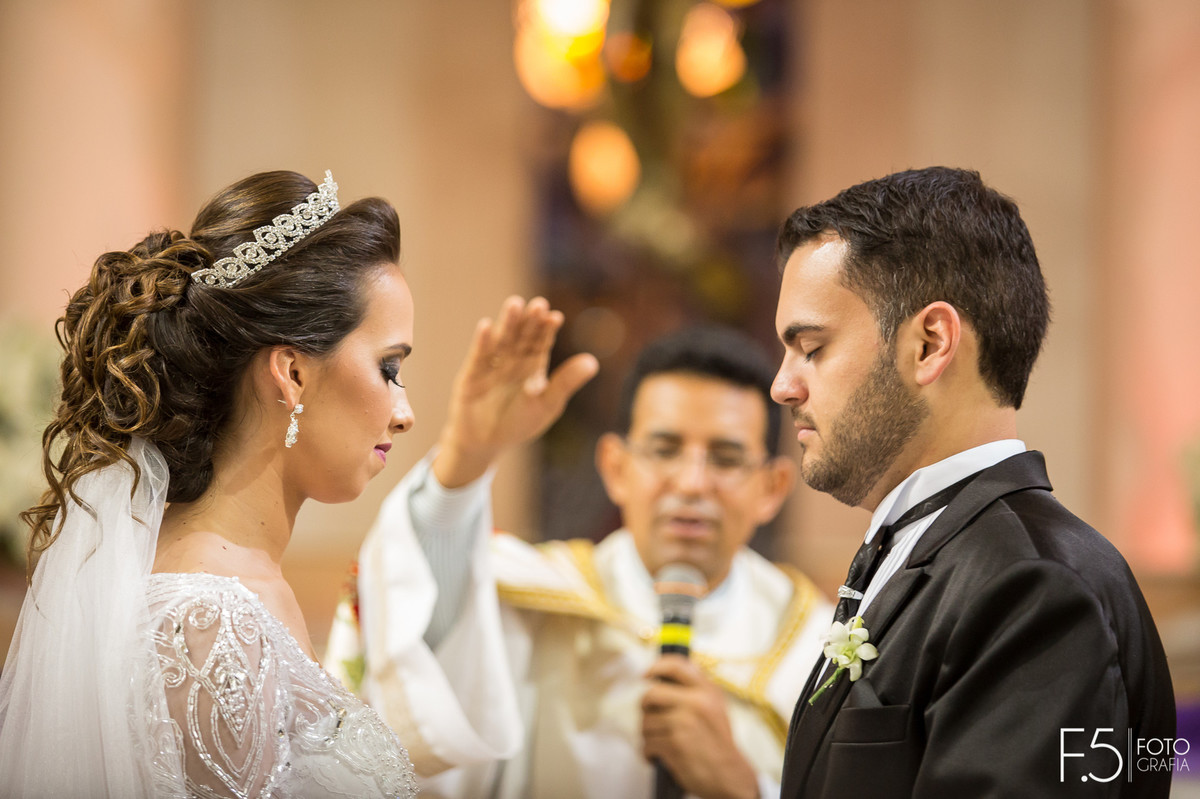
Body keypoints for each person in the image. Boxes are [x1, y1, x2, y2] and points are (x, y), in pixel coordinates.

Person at [0, 169, 419, 798]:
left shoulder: (240, 589)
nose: (404, 412)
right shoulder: (208, 624)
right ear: (293, 374)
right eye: (388, 368)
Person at [771, 166, 1176, 798]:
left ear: (931, 343)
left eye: (811, 347)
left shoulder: (1036, 587)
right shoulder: (930, 546)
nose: (783, 385)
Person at [325, 314, 833, 799]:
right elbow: (422, 654)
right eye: (664, 448)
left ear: (772, 487)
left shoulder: (815, 646)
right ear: (615, 467)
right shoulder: (540, 598)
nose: (692, 484)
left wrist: (745, 789)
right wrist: (467, 455)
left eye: (725, 458)